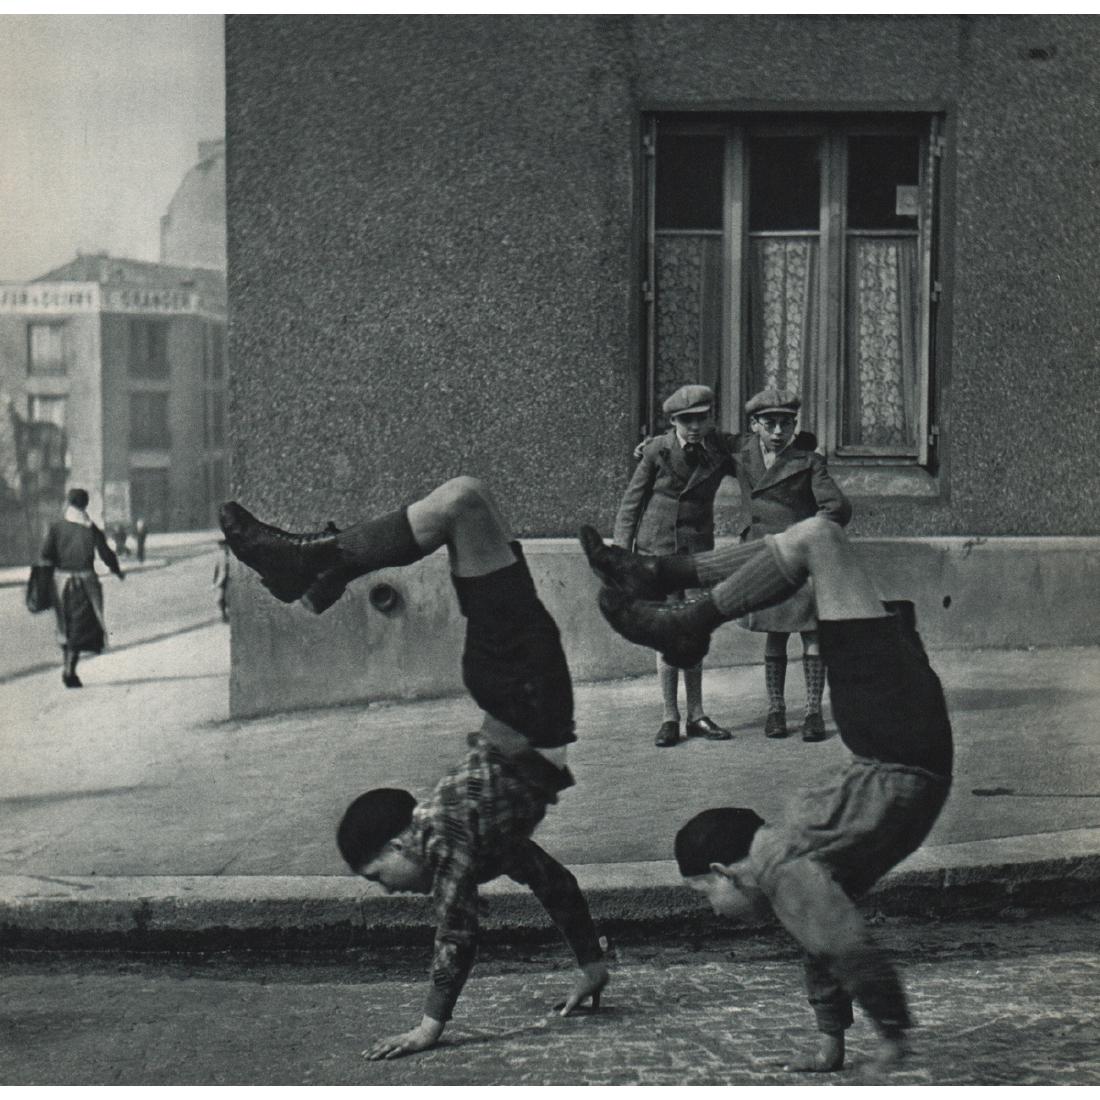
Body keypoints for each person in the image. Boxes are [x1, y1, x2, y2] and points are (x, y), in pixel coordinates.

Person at [218, 477, 609, 1059]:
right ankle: (321, 569)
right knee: (467, 503)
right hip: (523, 689)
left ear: (402, 842)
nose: (389, 892)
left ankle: (318, 565)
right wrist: (592, 965)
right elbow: (555, 883)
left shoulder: (448, 835)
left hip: (523, 688)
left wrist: (429, 1028)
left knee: (463, 503)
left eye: (378, 876)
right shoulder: (481, 839)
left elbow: (457, 934)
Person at [581, 514, 952, 1072]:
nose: (712, 909)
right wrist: (855, 1034)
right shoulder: (789, 870)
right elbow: (829, 942)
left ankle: (676, 606)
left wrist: (888, 1031)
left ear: (725, 870)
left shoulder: (779, 866)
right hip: (892, 736)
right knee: (817, 540)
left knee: (817, 540)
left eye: (705, 893)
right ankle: (665, 586)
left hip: (897, 736)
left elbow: (840, 946)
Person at [611, 384, 736, 747]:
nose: (695, 427)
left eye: (701, 418)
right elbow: (631, 504)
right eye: (686, 420)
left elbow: (752, 451)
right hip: (658, 550)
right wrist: (622, 555)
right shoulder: (657, 450)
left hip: (696, 553)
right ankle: (670, 717)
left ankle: (697, 714)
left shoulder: (717, 450)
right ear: (673, 421)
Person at [735, 388, 851, 742]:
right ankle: (776, 710)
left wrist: (806, 534)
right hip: (764, 556)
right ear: (754, 424)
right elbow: (699, 445)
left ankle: (813, 711)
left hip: (800, 558)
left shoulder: (808, 461)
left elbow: (838, 508)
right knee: (775, 634)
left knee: (811, 634)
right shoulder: (741, 455)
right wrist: (649, 447)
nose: (777, 432)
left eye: (786, 424)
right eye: (769, 423)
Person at [39, 487, 125, 687]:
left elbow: (45, 554)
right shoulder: (91, 528)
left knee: (65, 626)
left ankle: (69, 669)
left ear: (69, 504)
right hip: (85, 585)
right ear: (85, 505)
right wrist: (117, 571)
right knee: (80, 627)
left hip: (61, 584)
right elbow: (106, 554)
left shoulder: (56, 527)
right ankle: (70, 671)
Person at [212, 539, 231, 622]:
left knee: (224, 598)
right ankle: (224, 615)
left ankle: (225, 615)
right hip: (223, 580)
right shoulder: (221, 555)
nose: (221, 547)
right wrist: (215, 580)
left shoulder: (229, 555)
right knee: (220, 598)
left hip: (228, 579)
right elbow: (217, 569)